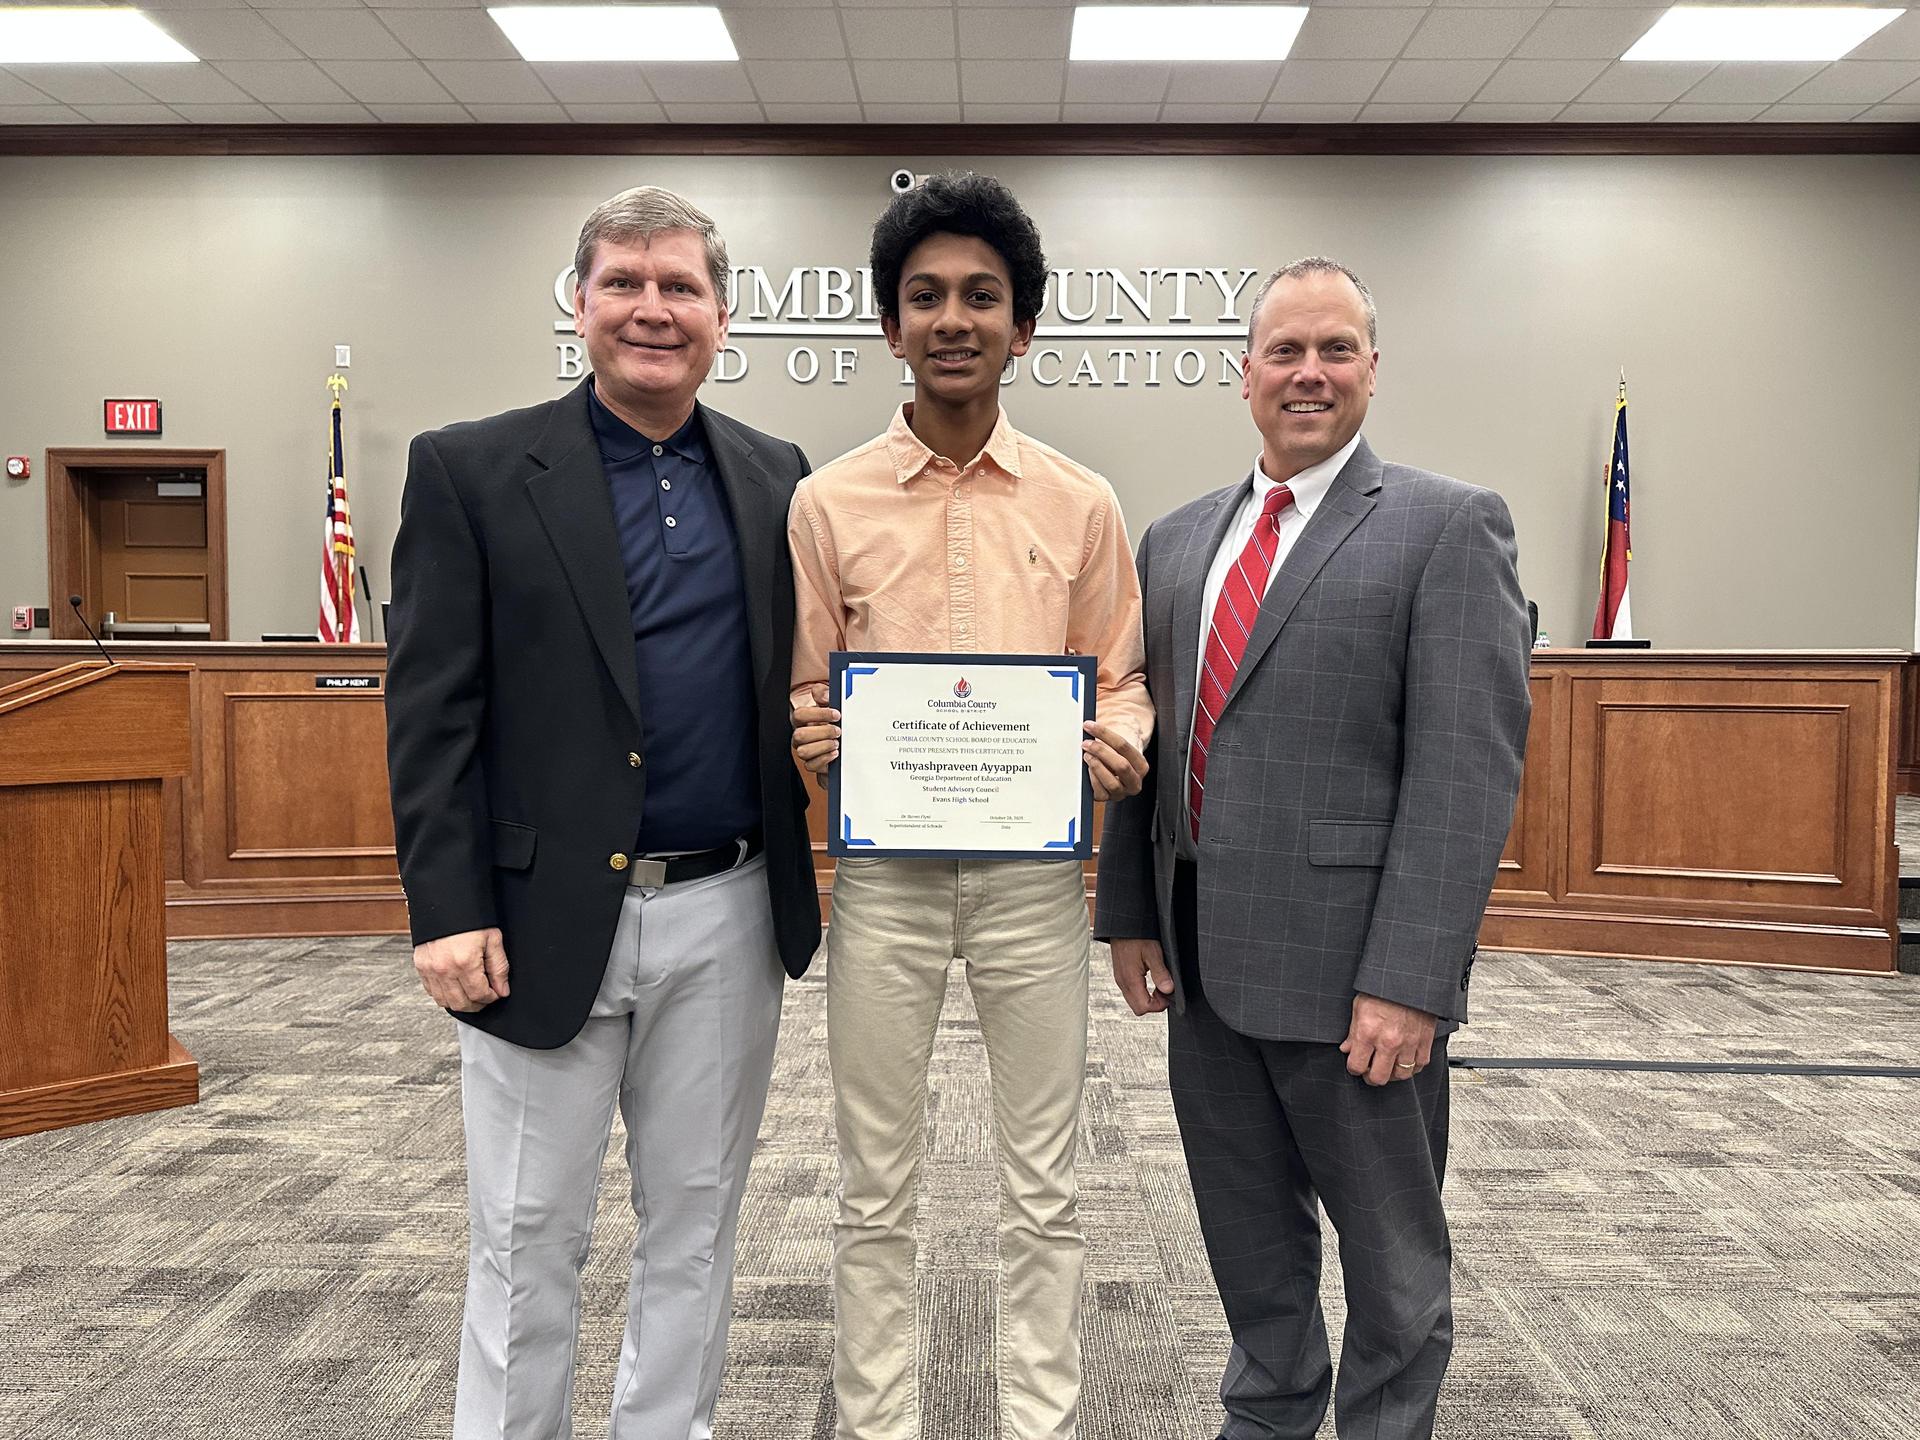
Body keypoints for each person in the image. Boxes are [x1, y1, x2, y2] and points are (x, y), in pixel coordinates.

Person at [384, 185, 819, 1440]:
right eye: (623, 282)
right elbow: (432, 712)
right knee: (527, 1237)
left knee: (696, 1222)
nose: (651, 308)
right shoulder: (468, 468)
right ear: (578, 305)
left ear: (723, 318)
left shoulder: (774, 476)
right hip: (533, 915)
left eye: (679, 286)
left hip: (727, 912)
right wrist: (446, 908)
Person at [1096, 257, 1531, 1440]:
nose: (1309, 373)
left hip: (1356, 986)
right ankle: (1272, 1412)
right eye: (1285, 351)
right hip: (1203, 972)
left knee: (1393, 1263)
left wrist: (1410, 981)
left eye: (1335, 350)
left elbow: (1464, 777)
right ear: (1244, 375)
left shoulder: (1448, 526)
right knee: (1246, 1235)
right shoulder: (1178, 540)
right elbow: (1153, 729)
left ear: (1373, 372)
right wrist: (1129, 911)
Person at [786, 171, 1152, 1440]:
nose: (954, 318)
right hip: (881, 880)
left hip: (1033, 882)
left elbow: (1123, 677)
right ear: (890, 324)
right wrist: (811, 730)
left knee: (1044, 1186)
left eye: (981, 298)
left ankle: (1039, 1424)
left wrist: (1117, 737)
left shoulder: (1081, 501)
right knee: (873, 1187)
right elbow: (797, 685)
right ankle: (879, 1425)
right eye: (926, 296)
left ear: (1024, 327)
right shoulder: (824, 504)